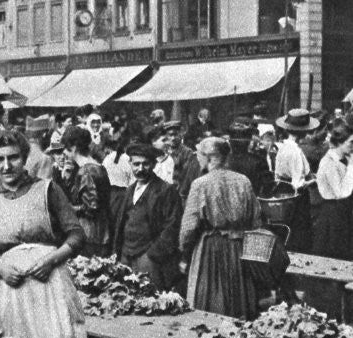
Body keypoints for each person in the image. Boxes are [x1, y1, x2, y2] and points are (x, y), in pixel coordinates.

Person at [0, 129, 91, 338]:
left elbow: (76, 235)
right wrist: (0, 270)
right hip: (10, 292)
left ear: (24, 158)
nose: (7, 166)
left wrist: (51, 260)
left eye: (13, 157)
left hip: (50, 286)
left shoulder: (48, 190)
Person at [180, 137, 261, 320]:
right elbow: (256, 221)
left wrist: (184, 254)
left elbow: (189, 227)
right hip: (239, 248)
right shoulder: (244, 181)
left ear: (208, 158)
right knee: (238, 299)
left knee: (209, 301)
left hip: (210, 249)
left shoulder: (200, 184)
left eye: (199, 155)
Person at [114, 143, 182, 290]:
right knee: (124, 296)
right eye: (136, 164)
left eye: (145, 164)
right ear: (130, 164)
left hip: (148, 257)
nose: (140, 169)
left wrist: (153, 254)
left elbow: (173, 226)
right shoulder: (129, 191)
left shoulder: (165, 190)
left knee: (150, 299)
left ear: (153, 164)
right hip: (126, 255)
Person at [58, 126, 111, 256]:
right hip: (102, 230)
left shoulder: (86, 171)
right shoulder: (99, 167)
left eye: (66, 148)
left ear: (74, 147)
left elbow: (91, 207)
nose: (64, 152)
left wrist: (69, 208)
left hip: (89, 232)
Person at [275, 109, 319, 253]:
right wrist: (313, 181)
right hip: (296, 197)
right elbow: (297, 183)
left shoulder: (283, 147)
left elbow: (277, 174)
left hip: (283, 191)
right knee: (298, 232)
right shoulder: (295, 152)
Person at [314, 120, 353, 259]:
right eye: (350, 142)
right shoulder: (329, 163)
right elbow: (341, 193)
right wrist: (351, 167)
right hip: (333, 215)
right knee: (336, 256)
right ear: (339, 142)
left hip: (342, 212)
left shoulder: (341, 161)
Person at [102, 137, 132, 245]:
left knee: (111, 223)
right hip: (123, 193)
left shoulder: (107, 158)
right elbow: (132, 178)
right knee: (120, 224)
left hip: (110, 194)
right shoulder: (127, 158)